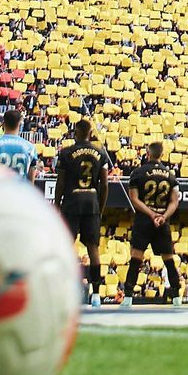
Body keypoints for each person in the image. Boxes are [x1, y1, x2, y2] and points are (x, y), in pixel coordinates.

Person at [55, 119, 114, 306]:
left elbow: (61, 182)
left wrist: (57, 204)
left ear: (75, 133)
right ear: (90, 133)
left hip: (71, 202)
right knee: (93, 249)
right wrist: (100, 207)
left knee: (64, 247)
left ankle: (60, 290)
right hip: (92, 203)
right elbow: (104, 184)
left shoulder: (66, 153)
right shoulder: (101, 153)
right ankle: (96, 293)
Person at [121, 140, 179, 307]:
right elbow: (174, 202)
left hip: (144, 221)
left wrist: (151, 213)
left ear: (148, 154)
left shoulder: (138, 173)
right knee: (169, 260)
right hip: (162, 221)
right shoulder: (170, 175)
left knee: (136, 258)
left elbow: (134, 198)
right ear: (162, 155)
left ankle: (128, 297)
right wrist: (162, 216)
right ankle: (176, 297)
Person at [0, 110, 39, 183]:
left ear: (3, 124)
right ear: (19, 124)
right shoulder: (30, 148)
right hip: (19, 191)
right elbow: (31, 175)